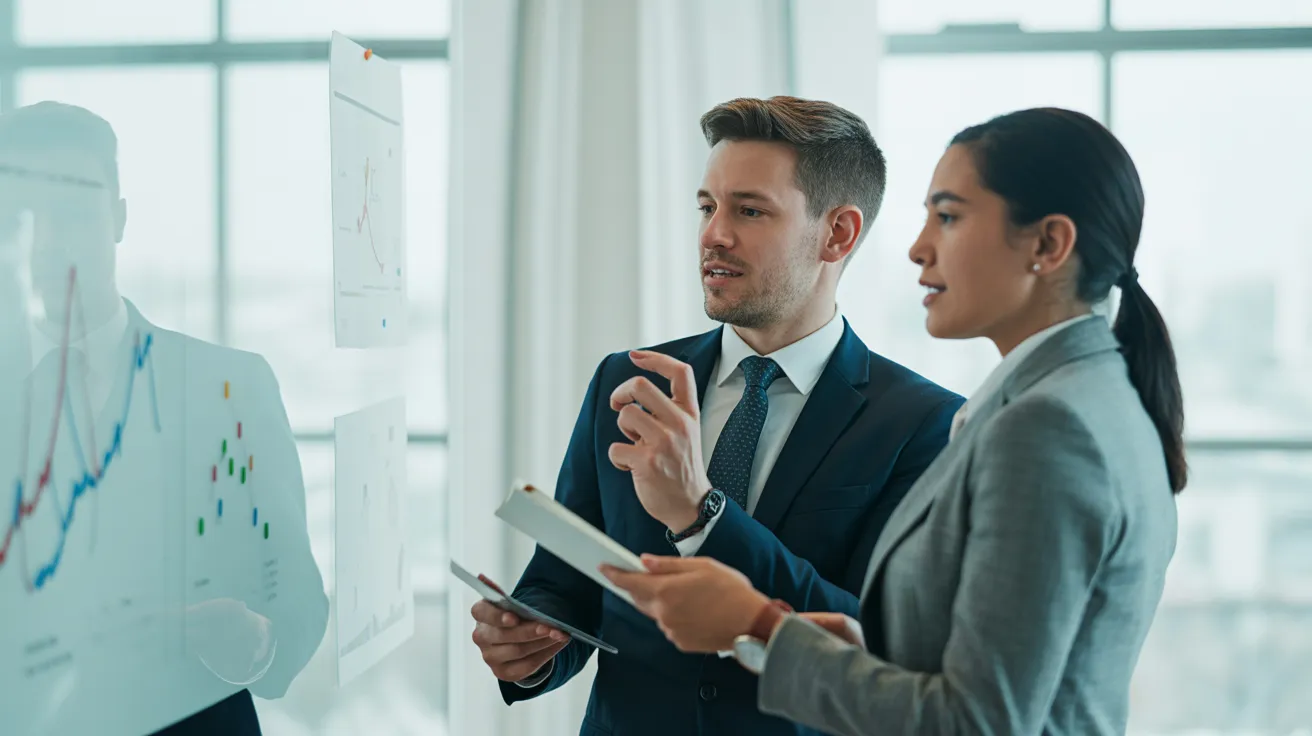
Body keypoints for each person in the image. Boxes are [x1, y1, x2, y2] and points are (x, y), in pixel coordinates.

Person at [603, 106, 1185, 735]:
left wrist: (761, 625)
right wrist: (842, 643)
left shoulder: (1047, 428)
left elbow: (974, 724)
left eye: (950, 216)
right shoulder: (1079, 398)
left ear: (1047, 244)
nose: (917, 246)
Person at [471, 96, 963, 736]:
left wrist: (704, 515)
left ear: (837, 233)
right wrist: (532, 645)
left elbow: (882, 641)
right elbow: (565, 580)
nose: (713, 235)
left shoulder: (927, 425)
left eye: (749, 210)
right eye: (707, 207)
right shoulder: (627, 381)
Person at [0, 102, 328, 736]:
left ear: (118, 218)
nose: (48, 242)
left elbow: (299, 602)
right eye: (24, 217)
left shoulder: (229, 386)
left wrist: (258, 642)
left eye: (71, 212)